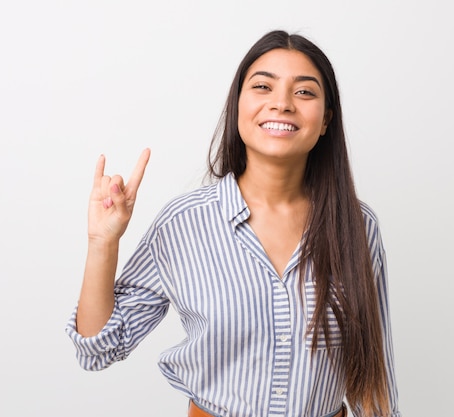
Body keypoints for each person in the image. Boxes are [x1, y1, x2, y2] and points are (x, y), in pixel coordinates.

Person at [66, 30, 401, 417]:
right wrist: (102, 242)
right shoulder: (184, 224)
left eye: (304, 92)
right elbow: (98, 348)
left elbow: (372, 379)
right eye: (262, 86)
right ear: (238, 105)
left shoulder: (358, 226)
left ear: (325, 120)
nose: (282, 103)